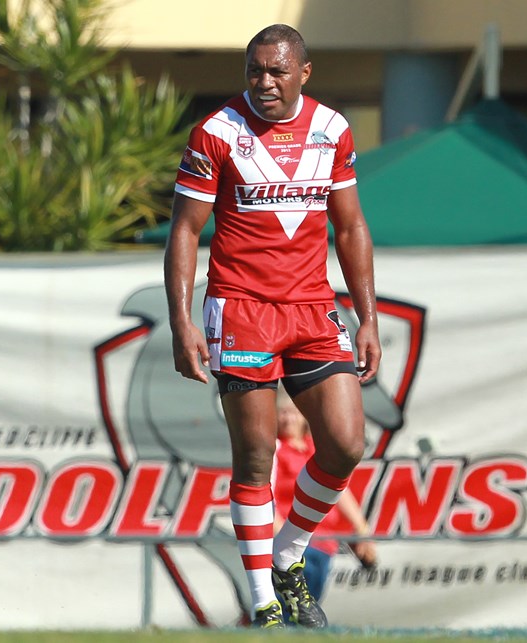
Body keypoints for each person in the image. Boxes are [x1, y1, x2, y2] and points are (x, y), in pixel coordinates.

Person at [164, 23, 380, 629]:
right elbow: (184, 230)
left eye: (277, 71)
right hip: (242, 307)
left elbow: (351, 228)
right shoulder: (215, 133)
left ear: (303, 73)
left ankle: (287, 555)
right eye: (254, 70)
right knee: (255, 457)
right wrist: (183, 323)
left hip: (313, 308)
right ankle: (263, 599)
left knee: (344, 443)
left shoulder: (333, 129)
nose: (264, 81)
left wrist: (367, 317)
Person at [273, 390, 377, 604]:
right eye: (282, 413)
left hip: (323, 543)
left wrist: (361, 529)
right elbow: (264, 496)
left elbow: (339, 490)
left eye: (293, 412)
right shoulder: (274, 449)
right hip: (291, 542)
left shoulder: (316, 448)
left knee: (309, 608)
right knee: (287, 608)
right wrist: (281, 538)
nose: (288, 418)